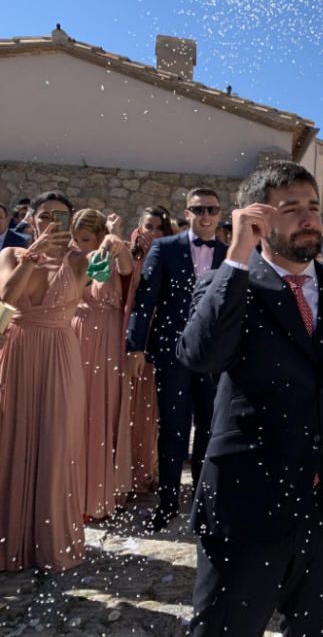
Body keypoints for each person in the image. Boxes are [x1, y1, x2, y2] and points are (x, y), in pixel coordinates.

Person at [176, 160, 323, 636]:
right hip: (248, 506)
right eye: (291, 209)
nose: (310, 218)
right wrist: (239, 253)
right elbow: (200, 355)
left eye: (313, 207)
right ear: (257, 217)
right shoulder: (229, 281)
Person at [126, 188, 228, 531]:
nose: (205, 215)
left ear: (219, 213)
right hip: (171, 353)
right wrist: (135, 346)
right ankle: (168, 503)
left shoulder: (229, 254)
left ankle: (203, 502)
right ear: (186, 213)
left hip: (213, 359)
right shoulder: (165, 248)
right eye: (198, 209)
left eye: (211, 209)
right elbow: (146, 299)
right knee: (172, 429)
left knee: (210, 429)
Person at [0, 191, 88, 571]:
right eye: (45, 215)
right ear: (30, 218)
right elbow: (4, 298)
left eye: (61, 216)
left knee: (56, 439)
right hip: (17, 350)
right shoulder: (9, 256)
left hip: (60, 352)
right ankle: (9, 539)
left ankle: (50, 540)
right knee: (10, 438)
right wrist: (30, 259)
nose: (53, 222)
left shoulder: (79, 260)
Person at [70, 209, 134, 519]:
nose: (80, 244)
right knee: (77, 410)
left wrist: (111, 239)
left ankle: (98, 492)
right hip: (76, 331)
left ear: (97, 236)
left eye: (86, 238)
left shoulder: (111, 252)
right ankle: (74, 492)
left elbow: (123, 271)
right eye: (76, 238)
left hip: (108, 334)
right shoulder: (72, 258)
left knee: (102, 408)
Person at [121, 207, 173, 495]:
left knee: (147, 407)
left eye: (159, 228)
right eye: (148, 226)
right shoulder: (126, 257)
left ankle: (144, 470)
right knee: (124, 405)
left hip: (156, 340)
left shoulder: (170, 259)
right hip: (122, 337)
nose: (153, 233)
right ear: (138, 228)